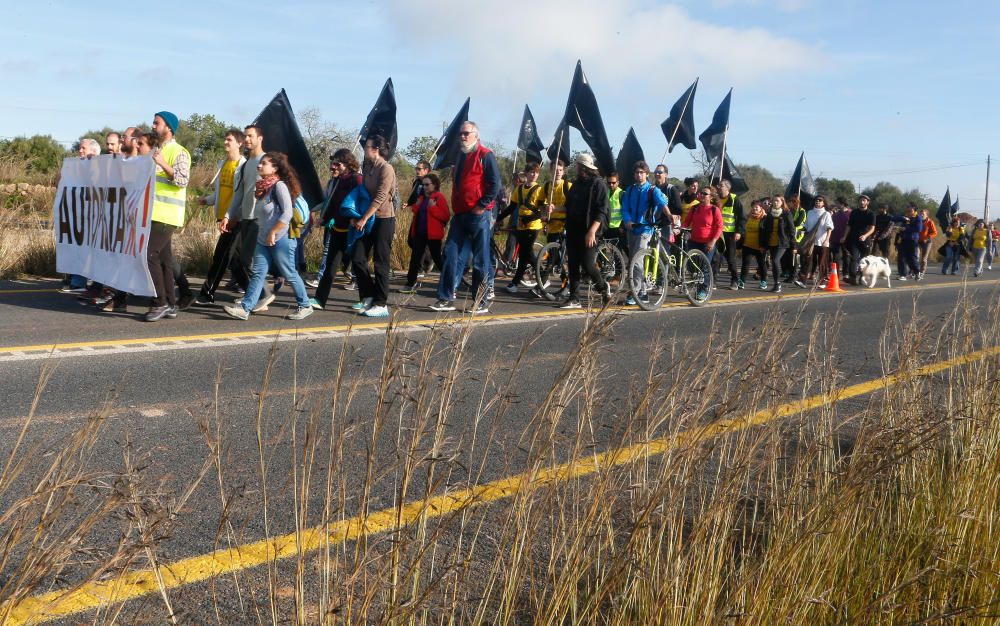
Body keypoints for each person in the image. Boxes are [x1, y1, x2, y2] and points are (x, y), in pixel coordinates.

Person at [221, 153, 312, 320]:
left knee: (289, 273)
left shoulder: (279, 186)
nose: (259, 166)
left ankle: (305, 305)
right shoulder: (263, 188)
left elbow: (287, 213)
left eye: (264, 164)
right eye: (260, 163)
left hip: (281, 239)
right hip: (263, 239)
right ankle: (245, 308)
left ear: (275, 168)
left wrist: (273, 232)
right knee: (258, 273)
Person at [430, 121, 501, 314]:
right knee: (450, 254)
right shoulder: (460, 157)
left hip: (478, 215)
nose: (462, 136)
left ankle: (480, 301)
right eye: (460, 134)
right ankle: (446, 297)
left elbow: (495, 185)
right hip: (460, 215)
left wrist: (481, 205)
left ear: (476, 135)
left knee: (480, 259)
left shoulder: (485, 155)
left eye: (466, 133)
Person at [219, 125, 272, 309]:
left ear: (260, 138)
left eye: (251, 136)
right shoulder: (246, 165)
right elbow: (239, 193)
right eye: (246, 136)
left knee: (247, 261)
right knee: (239, 261)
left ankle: (263, 295)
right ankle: (258, 296)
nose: (247, 139)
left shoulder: (267, 162)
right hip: (245, 218)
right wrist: (228, 215)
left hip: (260, 220)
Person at [144, 111, 190, 322]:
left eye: (157, 123)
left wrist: (162, 163)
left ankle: (159, 302)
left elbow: (182, 180)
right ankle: (170, 303)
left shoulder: (179, 152)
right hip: (154, 213)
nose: (153, 126)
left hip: (167, 214)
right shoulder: (156, 151)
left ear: (168, 128)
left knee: (148, 255)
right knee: (164, 260)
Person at [346, 134, 397, 317]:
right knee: (358, 257)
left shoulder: (386, 168)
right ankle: (368, 296)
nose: (364, 149)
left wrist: (364, 218)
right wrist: (355, 215)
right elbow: (363, 193)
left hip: (384, 219)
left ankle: (381, 304)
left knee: (380, 262)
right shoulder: (368, 167)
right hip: (367, 218)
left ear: (375, 149)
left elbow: (381, 196)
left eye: (366, 146)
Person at [195, 128, 246, 305]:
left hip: (235, 219)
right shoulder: (221, 164)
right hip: (222, 217)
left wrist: (232, 216)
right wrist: (206, 200)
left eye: (229, 140)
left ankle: (207, 293)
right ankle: (258, 294)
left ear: (239, 143)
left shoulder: (243, 166)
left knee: (222, 257)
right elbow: (220, 193)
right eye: (225, 139)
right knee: (234, 260)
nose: (225, 142)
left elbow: (242, 196)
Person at [310, 149, 363, 309]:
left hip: (353, 230)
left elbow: (364, 201)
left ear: (348, 164)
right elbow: (333, 204)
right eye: (333, 163)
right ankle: (320, 299)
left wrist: (358, 218)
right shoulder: (338, 180)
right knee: (331, 265)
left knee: (359, 264)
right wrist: (323, 219)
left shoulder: (357, 179)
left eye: (337, 163)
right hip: (338, 228)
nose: (333, 166)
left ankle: (367, 299)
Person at [559, 153, 611, 309]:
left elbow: (602, 211)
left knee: (588, 265)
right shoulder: (576, 184)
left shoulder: (598, 184)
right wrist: (553, 208)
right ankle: (574, 298)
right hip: (573, 229)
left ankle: (603, 289)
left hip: (589, 230)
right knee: (573, 264)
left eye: (577, 165)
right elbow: (567, 207)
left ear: (583, 167)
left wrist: (592, 231)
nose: (576, 167)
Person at [620, 161, 668, 305]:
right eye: (637, 172)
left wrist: (670, 215)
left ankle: (635, 292)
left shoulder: (652, 190)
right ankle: (642, 292)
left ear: (647, 174)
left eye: (642, 172)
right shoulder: (630, 190)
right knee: (633, 260)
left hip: (646, 229)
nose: (639, 175)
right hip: (632, 229)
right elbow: (625, 208)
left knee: (637, 260)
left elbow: (663, 204)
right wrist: (627, 220)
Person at [400, 172, 449, 292]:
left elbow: (445, 216)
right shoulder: (422, 198)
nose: (424, 187)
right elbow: (416, 212)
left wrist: (433, 208)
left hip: (433, 235)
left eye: (427, 185)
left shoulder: (439, 197)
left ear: (435, 185)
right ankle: (410, 284)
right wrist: (416, 206)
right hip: (420, 233)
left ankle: (449, 282)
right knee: (415, 259)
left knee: (437, 258)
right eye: (423, 185)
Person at [501, 162, 543, 293]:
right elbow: (511, 207)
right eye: (531, 172)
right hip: (521, 226)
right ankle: (515, 283)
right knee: (523, 255)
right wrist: (498, 218)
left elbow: (542, 212)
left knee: (527, 253)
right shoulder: (519, 189)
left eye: (536, 172)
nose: (534, 175)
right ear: (526, 173)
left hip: (533, 226)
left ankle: (542, 276)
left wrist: (528, 219)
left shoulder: (540, 190)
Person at [682, 185, 723, 299]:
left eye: (705, 194)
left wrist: (713, 241)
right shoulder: (695, 208)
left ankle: (703, 290)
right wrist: (678, 228)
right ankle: (695, 284)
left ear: (711, 197)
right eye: (701, 193)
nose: (702, 195)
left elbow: (719, 227)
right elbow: (686, 222)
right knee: (691, 265)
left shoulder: (714, 210)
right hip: (694, 241)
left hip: (707, 243)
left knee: (704, 267)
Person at [713, 179, 745, 289]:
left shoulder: (734, 199)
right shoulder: (715, 199)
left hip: (730, 233)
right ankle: (713, 281)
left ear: (728, 188)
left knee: (731, 258)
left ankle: (734, 280)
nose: (718, 187)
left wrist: (739, 232)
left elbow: (741, 217)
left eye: (721, 185)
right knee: (716, 258)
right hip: (718, 233)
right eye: (718, 185)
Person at [761, 195, 796, 293]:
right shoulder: (769, 214)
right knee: (774, 262)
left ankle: (778, 284)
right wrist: (763, 244)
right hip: (771, 242)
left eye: (777, 201)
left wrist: (794, 245)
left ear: (782, 202)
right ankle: (776, 284)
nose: (775, 202)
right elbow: (765, 230)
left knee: (775, 261)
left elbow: (792, 230)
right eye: (774, 201)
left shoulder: (786, 214)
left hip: (782, 243)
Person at [801, 195, 834, 287]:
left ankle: (822, 281)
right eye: (816, 200)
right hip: (811, 242)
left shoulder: (826, 214)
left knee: (822, 262)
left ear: (824, 203)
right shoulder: (810, 212)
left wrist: (827, 240)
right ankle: (803, 281)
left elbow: (829, 228)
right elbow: (806, 226)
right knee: (808, 261)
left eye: (820, 200)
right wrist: (800, 230)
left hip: (822, 242)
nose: (818, 202)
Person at [844, 194, 876, 284]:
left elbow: (872, 228)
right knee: (854, 258)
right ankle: (853, 278)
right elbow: (849, 225)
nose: (862, 202)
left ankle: (862, 277)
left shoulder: (871, 214)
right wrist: (844, 236)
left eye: (864, 200)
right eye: (860, 200)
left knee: (864, 260)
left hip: (865, 240)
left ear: (867, 202)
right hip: (854, 239)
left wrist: (865, 236)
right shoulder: (854, 212)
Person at [738, 200, 768, 290]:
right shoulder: (748, 217)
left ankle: (763, 281)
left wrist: (765, 246)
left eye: (757, 207)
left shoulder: (765, 218)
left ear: (761, 208)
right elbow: (743, 228)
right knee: (745, 264)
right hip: (747, 244)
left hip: (760, 246)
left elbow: (767, 233)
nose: (755, 208)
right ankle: (742, 281)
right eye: (753, 207)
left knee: (762, 264)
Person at [892, 204, 922, 280]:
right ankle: (902, 275)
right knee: (901, 258)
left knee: (911, 258)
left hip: (912, 241)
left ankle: (917, 271)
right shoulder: (905, 216)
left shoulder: (918, 218)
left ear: (914, 210)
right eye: (907, 209)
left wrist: (905, 229)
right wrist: (902, 218)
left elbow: (918, 229)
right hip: (903, 240)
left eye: (910, 210)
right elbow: (894, 218)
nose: (908, 211)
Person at [830, 199, 852, 275]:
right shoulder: (835, 214)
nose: (836, 204)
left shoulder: (850, 213)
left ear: (843, 204)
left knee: (846, 256)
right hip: (835, 239)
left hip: (847, 239)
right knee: (836, 257)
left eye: (838, 203)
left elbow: (851, 226)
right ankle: (836, 274)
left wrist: (845, 237)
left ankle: (846, 273)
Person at [916, 207, 938, 277]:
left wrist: (928, 238)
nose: (921, 215)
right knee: (916, 256)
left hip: (927, 242)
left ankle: (922, 272)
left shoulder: (930, 222)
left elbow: (935, 232)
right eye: (920, 214)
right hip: (918, 241)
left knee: (924, 259)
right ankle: (914, 271)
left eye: (923, 214)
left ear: (926, 215)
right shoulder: (917, 221)